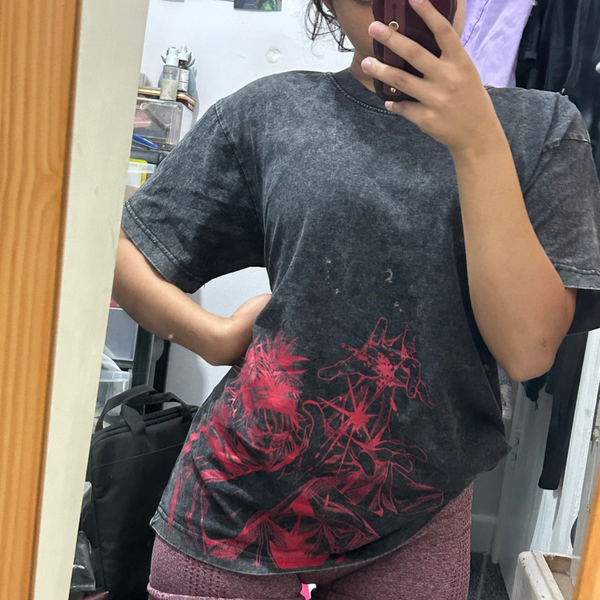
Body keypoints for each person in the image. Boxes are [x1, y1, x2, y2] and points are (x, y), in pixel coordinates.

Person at [113, 0, 600, 598]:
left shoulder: (542, 130)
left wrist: (478, 142)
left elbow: (528, 350)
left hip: (419, 513)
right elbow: (123, 251)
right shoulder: (269, 113)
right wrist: (211, 337)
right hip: (234, 505)